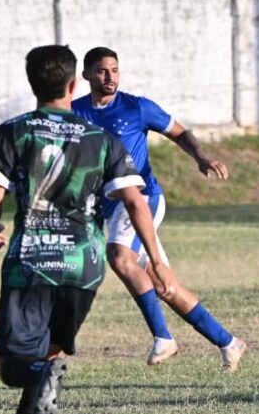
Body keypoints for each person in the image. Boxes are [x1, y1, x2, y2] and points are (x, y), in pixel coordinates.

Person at [0, 45, 174, 414]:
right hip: (82, 266)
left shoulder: (11, 132)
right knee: (50, 358)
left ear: (32, 84)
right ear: (73, 84)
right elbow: (135, 201)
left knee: (14, 366)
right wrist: (157, 261)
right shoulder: (100, 139)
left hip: (31, 262)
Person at [72, 47, 246, 370]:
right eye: (102, 71)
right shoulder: (75, 112)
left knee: (119, 256)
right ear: (86, 75)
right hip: (111, 208)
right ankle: (229, 342)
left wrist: (201, 157)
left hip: (144, 198)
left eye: (115, 70)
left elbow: (179, 132)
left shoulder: (137, 107)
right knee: (165, 286)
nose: (110, 77)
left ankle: (163, 338)